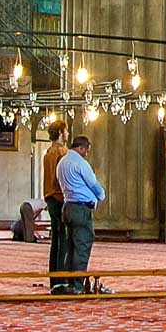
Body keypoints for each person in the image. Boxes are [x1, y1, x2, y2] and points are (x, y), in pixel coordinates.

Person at [56, 134, 106, 294]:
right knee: (82, 247)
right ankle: (78, 285)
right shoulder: (80, 163)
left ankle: (70, 282)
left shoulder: (62, 163)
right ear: (81, 148)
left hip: (67, 207)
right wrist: (101, 195)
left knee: (70, 247)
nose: (87, 154)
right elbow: (92, 183)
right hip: (80, 209)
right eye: (87, 151)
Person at [42, 120, 69, 293]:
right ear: (60, 132)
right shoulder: (62, 152)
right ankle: (62, 280)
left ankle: (54, 279)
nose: (67, 134)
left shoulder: (47, 153)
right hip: (60, 198)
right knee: (63, 240)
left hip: (49, 197)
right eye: (66, 131)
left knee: (55, 240)